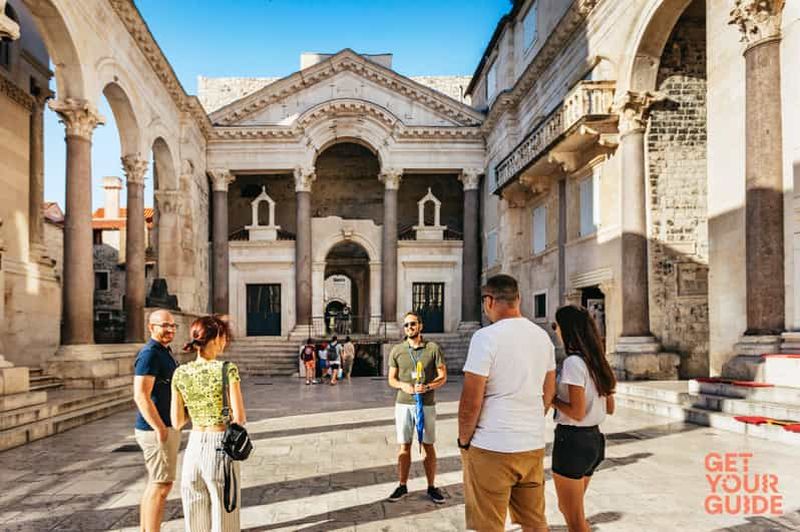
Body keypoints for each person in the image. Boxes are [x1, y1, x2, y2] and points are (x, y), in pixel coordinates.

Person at [458, 274, 556, 532]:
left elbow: (471, 401)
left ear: (488, 301)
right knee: (534, 522)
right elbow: (548, 391)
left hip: (492, 445)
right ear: (518, 299)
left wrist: (464, 441)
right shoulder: (542, 337)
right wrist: (531, 420)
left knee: (487, 525)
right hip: (531, 444)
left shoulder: (485, 337)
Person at [171, 315, 246, 532]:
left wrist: (197, 407)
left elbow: (177, 422)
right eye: (224, 337)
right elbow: (239, 417)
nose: (225, 342)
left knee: (195, 519)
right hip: (219, 446)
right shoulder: (226, 369)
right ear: (216, 338)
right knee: (225, 517)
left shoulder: (180, 373)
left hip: (193, 448)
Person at [551, 305, 616, 532]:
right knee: (571, 510)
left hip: (572, 441)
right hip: (594, 441)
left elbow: (576, 412)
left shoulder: (573, 364)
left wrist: (552, 399)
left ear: (566, 329)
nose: (555, 330)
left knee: (575, 518)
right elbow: (610, 407)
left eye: (556, 326)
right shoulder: (597, 361)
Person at [386, 311, 447, 504]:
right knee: (404, 445)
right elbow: (391, 379)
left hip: (426, 404)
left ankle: (431, 486)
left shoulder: (432, 349)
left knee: (428, 445)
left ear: (420, 326)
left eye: (412, 324)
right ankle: (402, 485)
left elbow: (442, 376)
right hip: (404, 403)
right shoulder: (397, 350)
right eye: (406, 325)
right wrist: (403, 385)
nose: (409, 328)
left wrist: (428, 386)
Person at [133, 309, 181, 532]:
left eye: (172, 325)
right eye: (164, 325)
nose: (170, 329)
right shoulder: (150, 353)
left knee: (156, 483)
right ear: (151, 327)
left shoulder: (163, 351)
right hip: (156, 429)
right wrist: (160, 428)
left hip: (163, 426)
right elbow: (141, 394)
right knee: (162, 485)